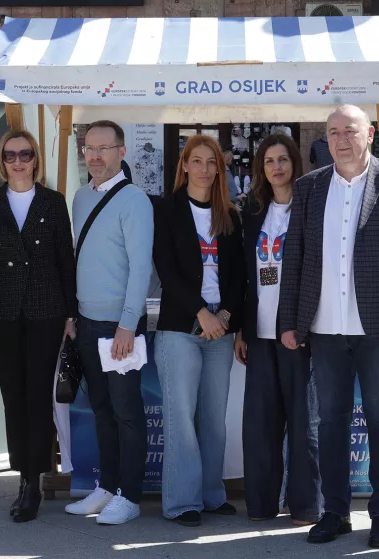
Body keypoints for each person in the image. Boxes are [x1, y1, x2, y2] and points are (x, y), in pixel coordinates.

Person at [278, 105, 379, 548]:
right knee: (331, 422)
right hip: (324, 328)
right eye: (334, 132)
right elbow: (295, 258)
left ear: (370, 134)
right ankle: (335, 512)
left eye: (350, 130)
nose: (342, 139)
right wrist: (290, 321)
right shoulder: (309, 188)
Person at [0, 130, 76, 522]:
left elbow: (65, 260)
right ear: (1, 161)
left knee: (38, 398)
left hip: (46, 313)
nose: (18, 161)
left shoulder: (52, 203)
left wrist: (71, 314)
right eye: (10, 155)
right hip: (3, 315)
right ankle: (22, 476)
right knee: (12, 399)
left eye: (25, 154)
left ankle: (35, 481)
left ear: (35, 159)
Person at [153, 134, 246, 527]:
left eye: (213, 163)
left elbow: (241, 274)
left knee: (213, 418)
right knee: (181, 417)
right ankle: (181, 502)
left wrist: (225, 316)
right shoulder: (166, 209)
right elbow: (166, 267)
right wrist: (199, 312)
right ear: (185, 165)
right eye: (198, 161)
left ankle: (211, 494)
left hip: (220, 329)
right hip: (179, 327)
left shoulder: (230, 213)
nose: (205, 169)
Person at [65, 120, 153, 525]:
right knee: (101, 409)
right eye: (89, 148)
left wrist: (128, 325)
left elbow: (140, 269)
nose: (95, 156)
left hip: (120, 327)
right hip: (86, 323)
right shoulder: (81, 197)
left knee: (127, 413)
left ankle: (129, 496)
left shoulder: (134, 200)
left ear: (121, 152)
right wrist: (73, 315)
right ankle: (107, 487)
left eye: (104, 148)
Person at [235, 133, 320, 526]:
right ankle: (262, 504)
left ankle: (304, 506)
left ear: (294, 163)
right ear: (261, 168)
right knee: (260, 423)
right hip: (260, 333)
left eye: (282, 159)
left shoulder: (311, 206)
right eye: (268, 161)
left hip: (298, 332)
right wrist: (240, 329)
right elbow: (242, 277)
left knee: (303, 423)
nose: (276, 167)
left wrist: (301, 325)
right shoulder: (252, 212)